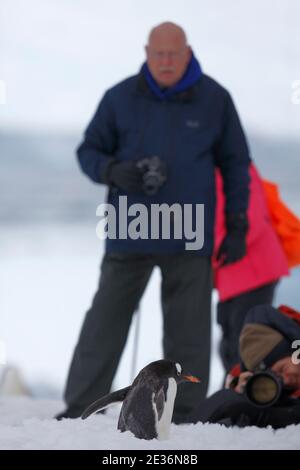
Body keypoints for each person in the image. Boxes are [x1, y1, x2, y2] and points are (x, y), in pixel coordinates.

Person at [57, 22, 250, 422]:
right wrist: (113, 169)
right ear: (147, 52)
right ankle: (81, 410)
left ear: (187, 52)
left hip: (188, 230)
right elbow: (87, 151)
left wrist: (237, 224)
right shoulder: (119, 97)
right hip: (130, 227)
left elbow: (236, 165)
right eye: (158, 53)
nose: (165, 61)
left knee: (189, 331)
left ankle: (185, 415)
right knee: (105, 322)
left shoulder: (215, 99)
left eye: (173, 53)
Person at [214, 163, 289, 374]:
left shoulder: (232, 166)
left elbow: (250, 219)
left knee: (244, 352)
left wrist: (207, 254)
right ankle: (237, 398)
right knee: (232, 349)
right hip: (234, 276)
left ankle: (243, 400)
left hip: (254, 272)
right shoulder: (216, 165)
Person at [184, 304, 300, 428]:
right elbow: (198, 422)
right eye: (275, 378)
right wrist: (243, 395)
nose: (286, 380)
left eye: (282, 368)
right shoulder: (242, 378)